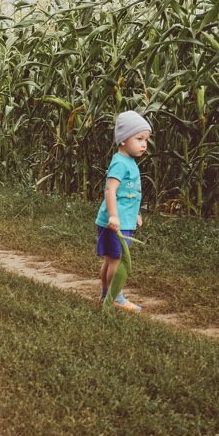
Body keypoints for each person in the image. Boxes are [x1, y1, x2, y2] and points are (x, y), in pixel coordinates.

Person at [95, 110, 152, 312]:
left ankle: (105, 295)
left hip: (122, 219)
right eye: (139, 138)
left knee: (111, 259)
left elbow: (130, 194)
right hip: (115, 222)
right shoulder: (120, 163)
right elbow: (110, 190)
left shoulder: (129, 161)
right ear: (122, 141)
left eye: (146, 139)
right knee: (118, 262)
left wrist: (135, 213)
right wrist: (113, 215)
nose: (144, 144)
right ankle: (116, 297)